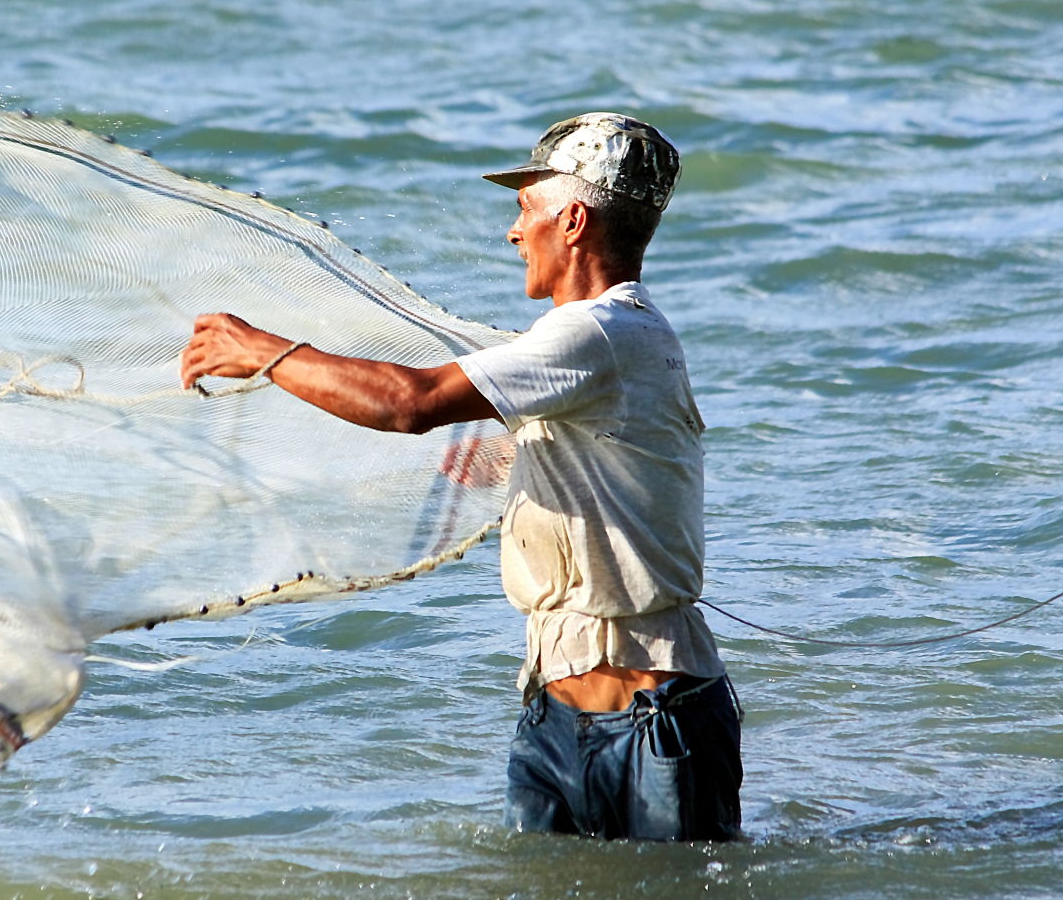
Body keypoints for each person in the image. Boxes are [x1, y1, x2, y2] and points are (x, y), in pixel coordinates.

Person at [179, 112, 741, 841]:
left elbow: (410, 403)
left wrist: (264, 351)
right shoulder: (630, 336)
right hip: (559, 716)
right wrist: (516, 462)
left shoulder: (596, 331)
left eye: (524, 210)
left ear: (572, 220)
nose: (514, 233)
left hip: (650, 723)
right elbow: (621, 457)